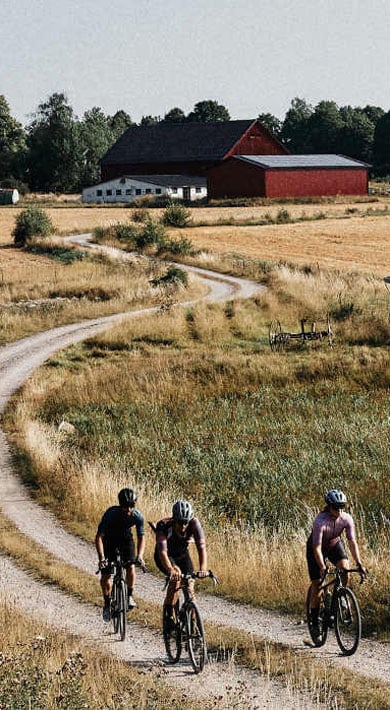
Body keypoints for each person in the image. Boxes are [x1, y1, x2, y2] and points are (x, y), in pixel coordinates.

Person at [306, 488, 366, 644]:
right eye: (335, 507)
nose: (339, 510)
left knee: (345, 568)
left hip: (333, 544)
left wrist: (359, 563)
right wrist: (322, 566)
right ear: (329, 506)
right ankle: (314, 624)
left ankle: (340, 596)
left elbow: (352, 542)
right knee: (318, 585)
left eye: (342, 507)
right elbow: (317, 548)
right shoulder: (320, 521)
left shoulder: (346, 519)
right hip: (316, 548)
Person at [95, 487, 145, 622]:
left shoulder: (137, 516)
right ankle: (107, 604)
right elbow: (99, 537)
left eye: (131, 506)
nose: (128, 509)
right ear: (120, 504)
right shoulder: (110, 514)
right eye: (125, 506)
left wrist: (140, 556)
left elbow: (141, 537)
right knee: (106, 575)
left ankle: (129, 595)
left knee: (131, 566)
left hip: (125, 540)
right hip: (109, 541)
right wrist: (102, 558)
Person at [153, 499, 208, 620]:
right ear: (174, 520)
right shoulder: (163, 525)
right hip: (166, 555)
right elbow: (162, 551)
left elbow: (202, 548)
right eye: (180, 522)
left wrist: (203, 569)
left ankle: (192, 624)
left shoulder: (194, 524)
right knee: (176, 578)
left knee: (190, 586)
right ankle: (169, 616)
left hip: (182, 555)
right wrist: (170, 569)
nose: (183, 526)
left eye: (185, 523)